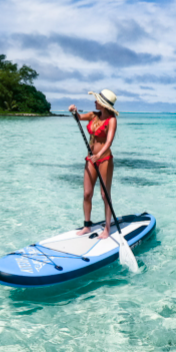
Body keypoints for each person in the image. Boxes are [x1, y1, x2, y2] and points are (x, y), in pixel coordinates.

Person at [68, 89, 119, 239]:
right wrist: (74, 111)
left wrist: (99, 155)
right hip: (91, 158)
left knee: (105, 195)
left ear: (103, 105)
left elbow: (109, 141)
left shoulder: (112, 120)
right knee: (87, 193)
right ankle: (87, 225)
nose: (95, 102)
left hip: (105, 159)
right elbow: (78, 117)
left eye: (97, 100)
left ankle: (107, 229)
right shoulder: (93, 115)